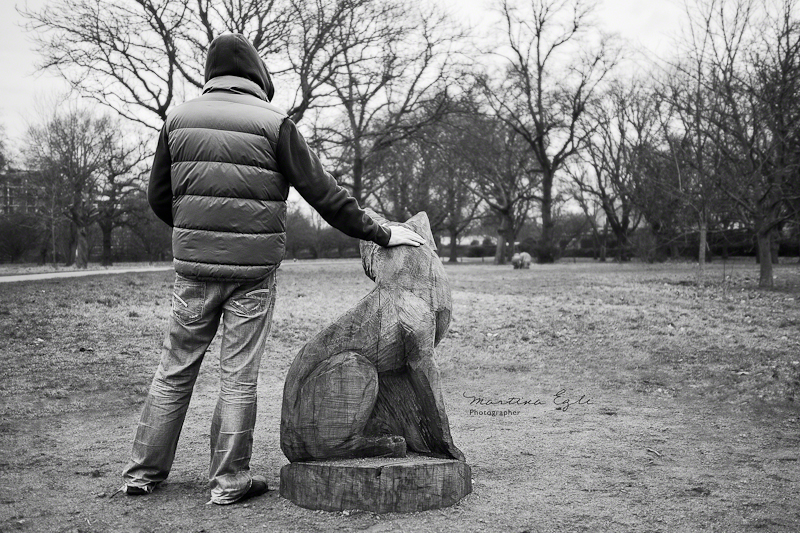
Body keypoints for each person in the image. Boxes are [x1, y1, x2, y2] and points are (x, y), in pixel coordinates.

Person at [120, 33, 425, 505]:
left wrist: (197, 234)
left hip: (193, 273)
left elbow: (159, 198)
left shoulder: (176, 119)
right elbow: (323, 193)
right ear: (256, 76)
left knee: (173, 371)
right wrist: (381, 232)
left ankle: (142, 474)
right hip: (253, 275)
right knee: (238, 375)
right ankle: (228, 484)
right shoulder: (274, 122)